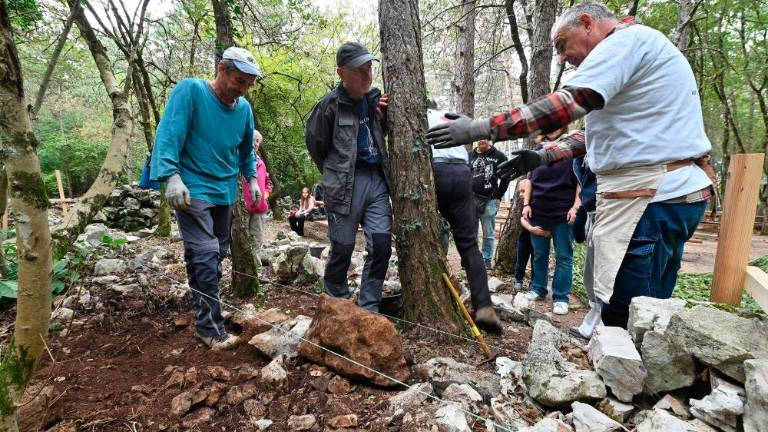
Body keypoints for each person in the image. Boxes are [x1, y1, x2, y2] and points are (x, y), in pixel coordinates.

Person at [426, 3, 714, 328]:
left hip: (654, 200)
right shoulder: (638, 52)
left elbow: (568, 102)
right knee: (647, 310)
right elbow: (599, 136)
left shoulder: (625, 43)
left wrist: (481, 128)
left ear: (588, 23)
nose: (562, 58)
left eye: (562, 45)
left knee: (633, 314)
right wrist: (544, 154)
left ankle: (626, 374)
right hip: (662, 197)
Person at [151, 47, 262, 350]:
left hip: (225, 190)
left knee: (215, 255)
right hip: (192, 186)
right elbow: (169, 133)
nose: (242, 89)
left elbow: (244, 150)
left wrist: (251, 179)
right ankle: (210, 329)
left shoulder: (243, 110)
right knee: (204, 252)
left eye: (248, 84)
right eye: (239, 80)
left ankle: (208, 308)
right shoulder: (192, 91)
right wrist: (170, 176)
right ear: (222, 69)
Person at [305, 42, 392, 312]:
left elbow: (384, 132)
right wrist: (336, 172)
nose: (368, 76)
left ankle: (368, 307)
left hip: (376, 180)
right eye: (360, 71)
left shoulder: (375, 99)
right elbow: (316, 145)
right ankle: (336, 302)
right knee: (342, 246)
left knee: (381, 243)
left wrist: (383, 116)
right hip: (343, 184)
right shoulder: (328, 107)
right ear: (342, 73)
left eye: (369, 69)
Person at [429, 109, 502, 332]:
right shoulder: (451, 115)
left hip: (435, 168)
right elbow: (473, 130)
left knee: (427, 232)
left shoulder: (413, 111)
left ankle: (433, 282)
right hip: (461, 172)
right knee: (469, 244)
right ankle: (484, 306)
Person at [522, 132, 580, 315]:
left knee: (563, 257)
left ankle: (561, 297)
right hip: (538, 210)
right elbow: (529, 181)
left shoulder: (573, 151)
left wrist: (575, 208)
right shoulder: (538, 151)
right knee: (540, 254)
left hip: (563, 213)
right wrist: (526, 205)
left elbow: (581, 183)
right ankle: (538, 288)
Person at [571, 152, 603, 338]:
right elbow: (585, 187)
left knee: (605, 273)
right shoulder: (581, 158)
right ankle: (592, 323)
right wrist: (581, 211)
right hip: (592, 211)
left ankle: (604, 328)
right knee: (591, 273)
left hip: (609, 211)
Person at [470, 139, 510, 269]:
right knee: (471, 231)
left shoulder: (499, 156)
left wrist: (499, 195)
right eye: (479, 137)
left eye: (484, 137)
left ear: (489, 139)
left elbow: (506, 177)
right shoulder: (470, 155)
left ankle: (486, 259)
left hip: (490, 199)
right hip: (470, 199)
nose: (481, 140)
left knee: (488, 232)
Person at [242, 130, 272, 249]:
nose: (255, 143)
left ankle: (256, 267)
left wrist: (265, 195)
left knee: (257, 240)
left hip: (259, 208)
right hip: (242, 209)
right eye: (252, 140)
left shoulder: (261, 163)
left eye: (257, 141)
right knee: (242, 241)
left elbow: (267, 183)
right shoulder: (238, 160)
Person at [513, 179, 536, 290]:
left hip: (536, 238)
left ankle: (533, 282)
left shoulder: (536, 204)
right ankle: (518, 279)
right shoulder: (522, 206)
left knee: (535, 260)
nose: (521, 195)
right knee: (521, 259)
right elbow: (522, 220)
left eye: (523, 191)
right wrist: (532, 229)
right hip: (524, 236)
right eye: (520, 192)